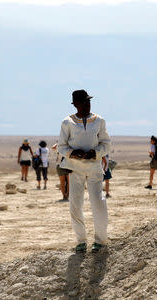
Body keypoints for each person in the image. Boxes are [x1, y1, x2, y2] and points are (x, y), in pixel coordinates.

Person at [58, 89, 111, 253]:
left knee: (99, 203)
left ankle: (100, 240)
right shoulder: (67, 122)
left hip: (95, 168)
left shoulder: (99, 121)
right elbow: (61, 146)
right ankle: (81, 241)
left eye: (89, 102)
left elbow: (106, 144)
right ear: (75, 104)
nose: (87, 105)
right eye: (83, 102)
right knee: (75, 205)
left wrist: (95, 153)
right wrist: (73, 153)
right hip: (75, 169)